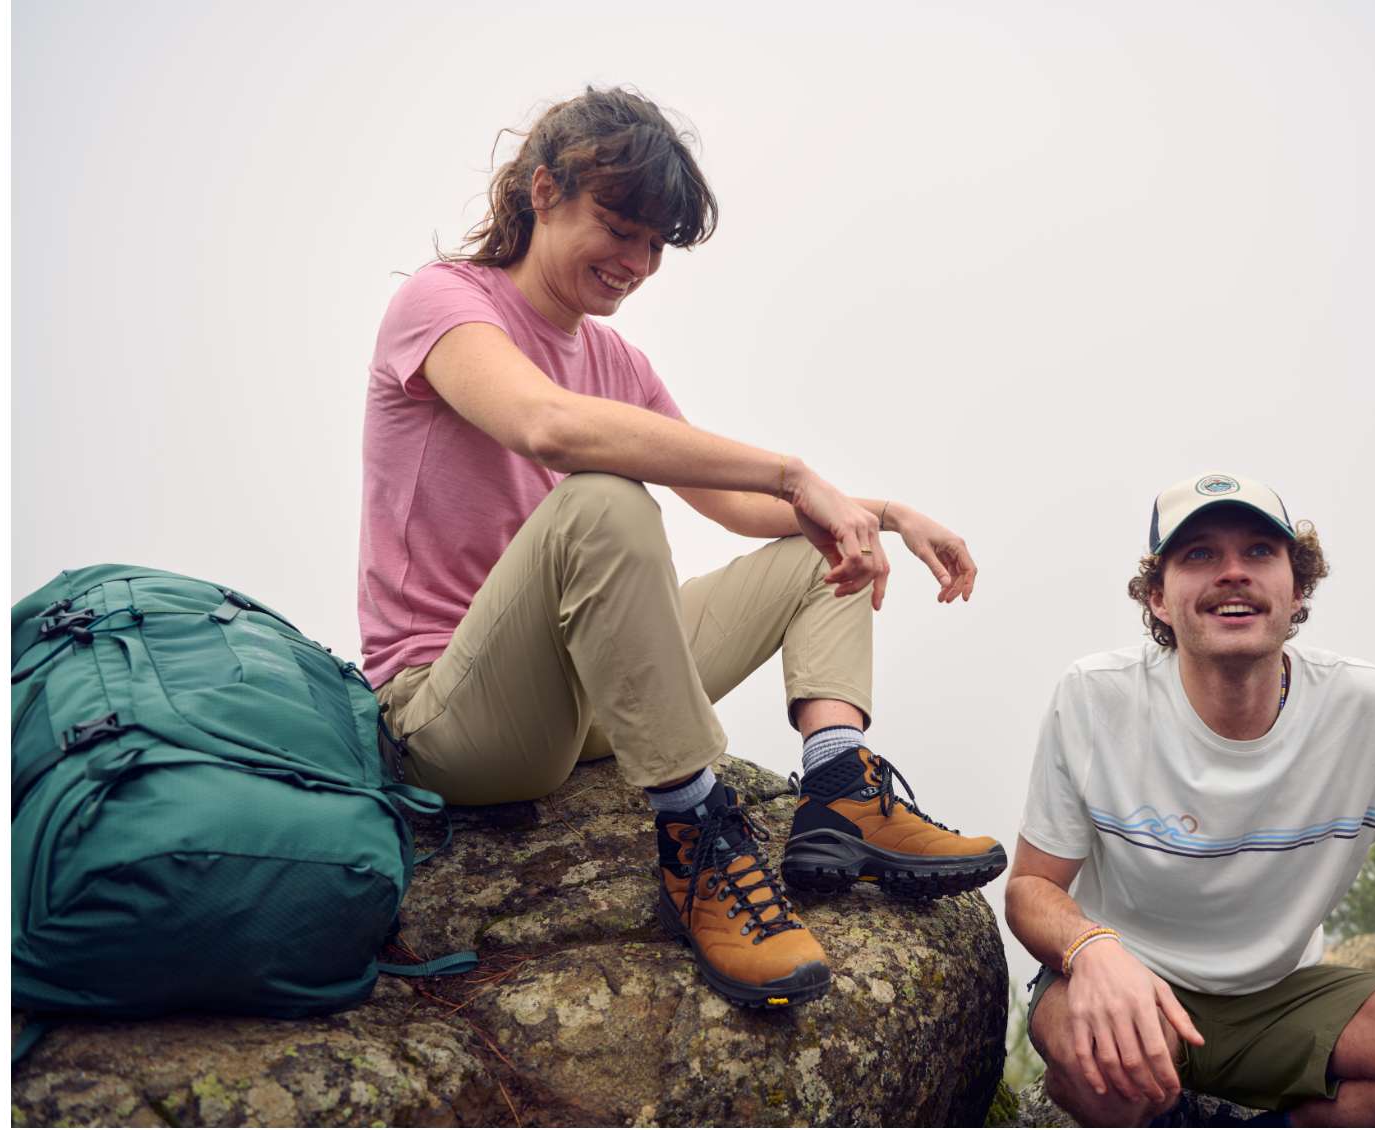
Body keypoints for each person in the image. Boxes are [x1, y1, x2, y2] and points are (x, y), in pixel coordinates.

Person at [359, 87, 1000, 1010]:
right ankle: (698, 836)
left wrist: (883, 514)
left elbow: (733, 506)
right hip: (454, 714)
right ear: (543, 191)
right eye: (619, 227)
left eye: (656, 244)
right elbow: (547, 427)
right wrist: (794, 472)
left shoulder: (615, 364)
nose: (637, 262)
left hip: (583, 709)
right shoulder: (443, 304)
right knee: (605, 501)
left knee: (819, 552)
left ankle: (840, 791)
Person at [1005, 472, 1375, 1126]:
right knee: (1102, 1063)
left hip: (1281, 996)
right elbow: (1032, 887)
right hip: (1129, 978)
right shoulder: (1096, 697)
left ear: (1298, 589)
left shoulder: (1369, 710)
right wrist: (1090, 951)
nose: (1233, 572)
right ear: (1157, 597)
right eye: (1199, 554)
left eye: (1260, 552)